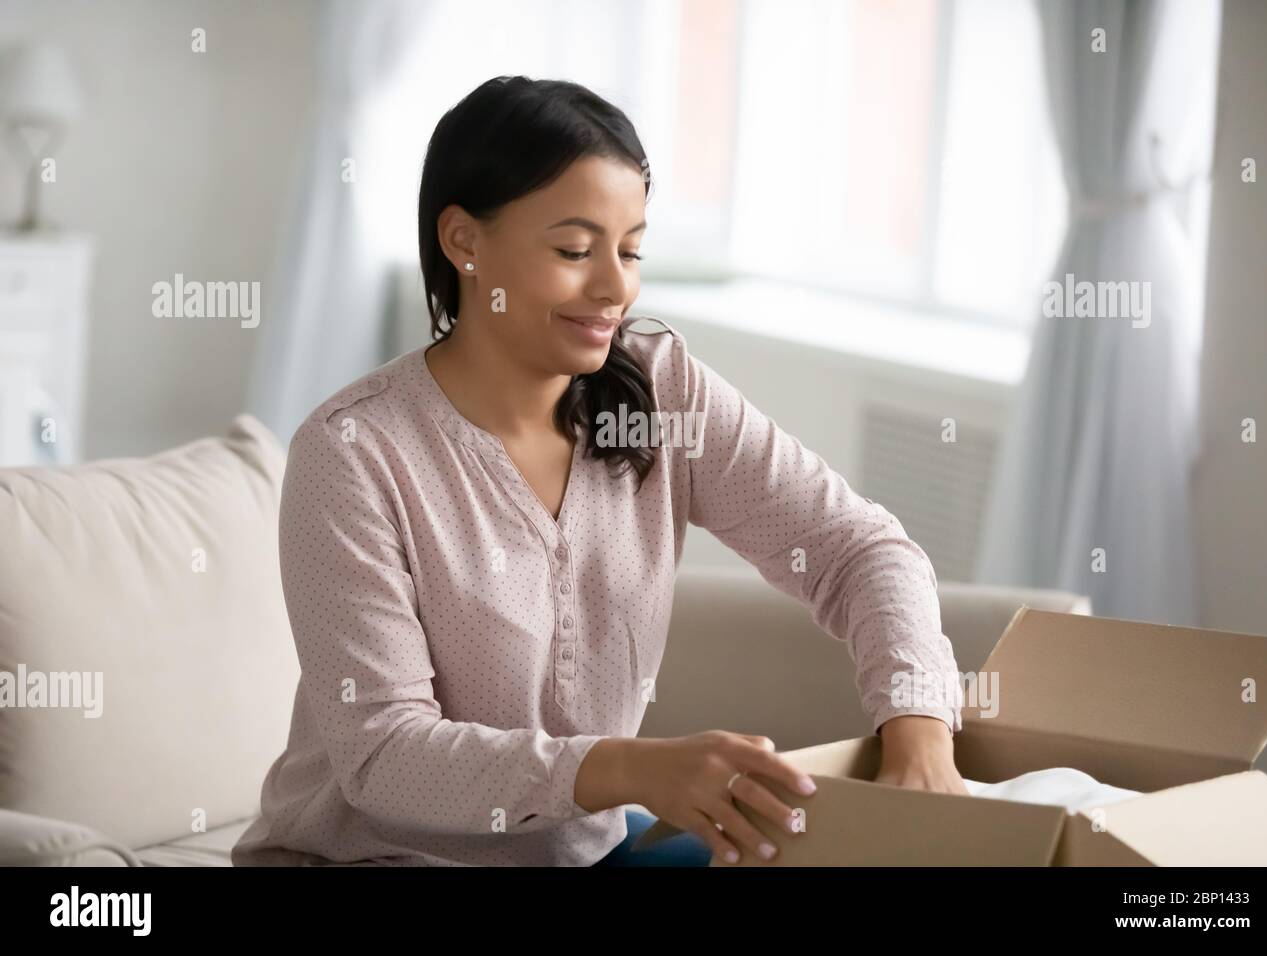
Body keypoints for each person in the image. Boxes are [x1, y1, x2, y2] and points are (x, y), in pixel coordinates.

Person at [232, 75, 966, 869]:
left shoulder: (661, 389)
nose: (615, 287)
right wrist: (628, 768)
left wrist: (918, 730)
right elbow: (384, 755)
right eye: (576, 251)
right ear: (464, 242)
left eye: (631, 249)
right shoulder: (353, 454)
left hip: (581, 857)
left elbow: (860, 551)